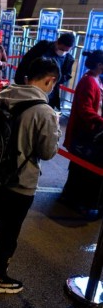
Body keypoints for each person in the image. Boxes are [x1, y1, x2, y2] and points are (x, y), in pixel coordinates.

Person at [0, 57, 61, 294]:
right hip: (21, 181)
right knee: (10, 231)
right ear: (50, 81)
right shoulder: (45, 112)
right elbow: (48, 152)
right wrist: (56, 128)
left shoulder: (4, 95)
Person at [61, 50, 103, 215]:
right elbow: (85, 110)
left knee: (80, 167)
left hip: (90, 131)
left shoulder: (94, 79)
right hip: (84, 132)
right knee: (80, 168)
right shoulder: (89, 82)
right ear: (99, 65)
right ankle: (73, 199)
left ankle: (70, 196)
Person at [15, 32, 76, 111]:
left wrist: (55, 79)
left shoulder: (68, 59)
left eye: (66, 51)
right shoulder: (43, 47)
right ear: (57, 41)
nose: (63, 52)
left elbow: (67, 75)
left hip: (48, 94)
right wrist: (22, 80)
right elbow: (26, 62)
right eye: (61, 49)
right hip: (30, 89)